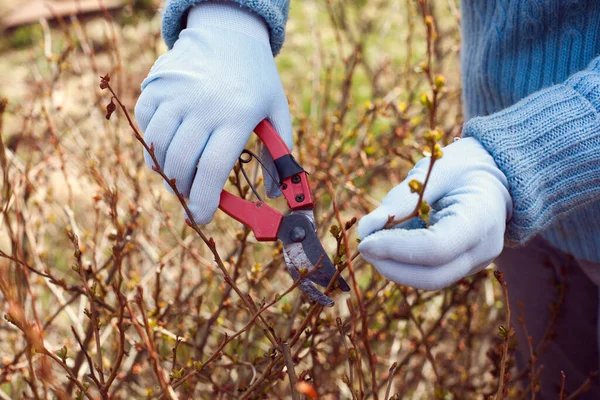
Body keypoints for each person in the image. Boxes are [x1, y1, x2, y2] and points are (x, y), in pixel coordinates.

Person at [135, 0, 600, 397]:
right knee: (556, 379)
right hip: (519, 209)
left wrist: (529, 157)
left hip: (512, 175)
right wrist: (229, 17)